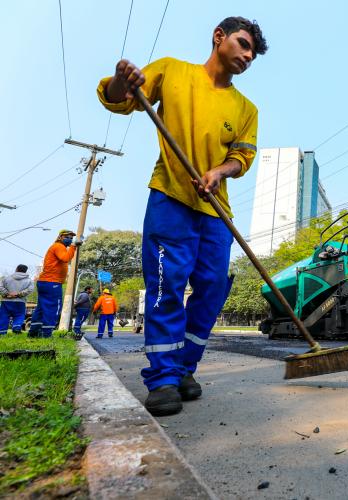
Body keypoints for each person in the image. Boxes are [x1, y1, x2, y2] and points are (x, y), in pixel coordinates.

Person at [97, 16, 267, 416]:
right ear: (218, 36)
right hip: (170, 197)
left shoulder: (246, 108)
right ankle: (163, 379)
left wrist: (219, 172)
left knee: (212, 289)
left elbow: (242, 157)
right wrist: (125, 79)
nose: (246, 56)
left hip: (215, 211)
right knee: (165, 287)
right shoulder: (173, 71)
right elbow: (119, 100)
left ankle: (185, 368)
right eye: (242, 44)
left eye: (253, 54)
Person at [28, 230, 80, 338]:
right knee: (53, 307)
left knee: (41, 308)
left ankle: (34, 331)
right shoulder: (59, 246)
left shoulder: (57, 247)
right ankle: (46, 333)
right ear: (60, 237)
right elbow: (65, 258)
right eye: (67, 237)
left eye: (71, 238)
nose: (70, 239)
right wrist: (74, 246)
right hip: (52, 283)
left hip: (45, 282)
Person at [0, 265, 34, 334]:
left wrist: (7, 294)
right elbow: (30, 289)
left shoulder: (7, 278)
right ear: (25, 271)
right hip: (20, 301)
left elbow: (0, 286)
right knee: (19, 315)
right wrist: (19, 294)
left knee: (4, 315)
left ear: (16, 269)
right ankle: (16, 327)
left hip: (6, 301)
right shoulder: (29, 281)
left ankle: (2, 331)